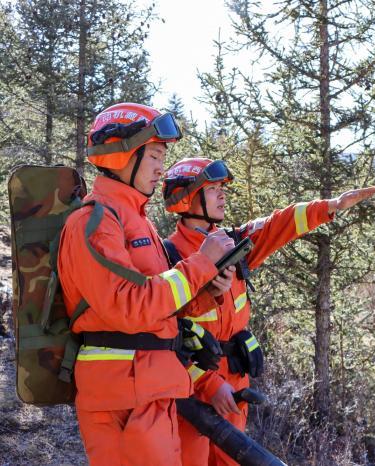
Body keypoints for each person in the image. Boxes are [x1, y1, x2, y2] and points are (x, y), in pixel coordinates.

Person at [161, 157, 375, 466]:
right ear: (186, 198)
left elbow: (280, 223)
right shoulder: (166, 256)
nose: (222, 195)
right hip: (192, 388)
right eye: (212, 189)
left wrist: (332, 205)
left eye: (222, 188)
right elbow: (162, 336)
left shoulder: (234, 243)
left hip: (234, 383)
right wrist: (207, 384)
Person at [57, 103, 234, 465]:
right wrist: (201, 263)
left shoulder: (136, 220)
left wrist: (206, 293)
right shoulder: (94, 221)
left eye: (162, 158)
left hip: (149, 389)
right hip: (122, 397)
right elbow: (128, 306)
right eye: (154, 156)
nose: (160, 169)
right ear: (120, 153)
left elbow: (158, 305)